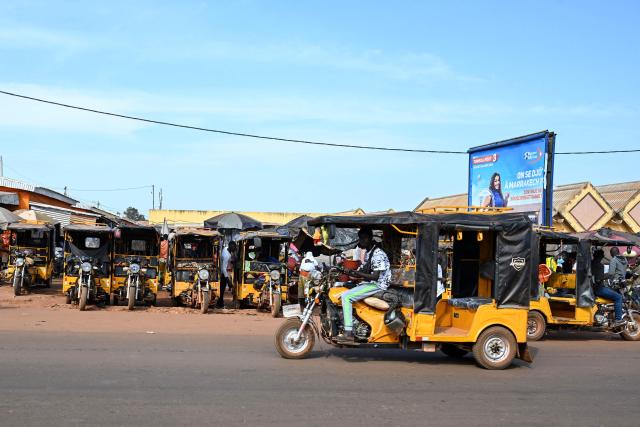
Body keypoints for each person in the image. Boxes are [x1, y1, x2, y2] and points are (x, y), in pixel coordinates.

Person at [337, 227, 391, 343]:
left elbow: (375, 276)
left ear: (370, 238)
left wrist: (356, 273)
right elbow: (365, 271)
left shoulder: (378, 254)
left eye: (363, 238)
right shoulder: (369, 252)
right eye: (360, 238)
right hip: (370, 283)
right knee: (344, 286)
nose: (361, 241)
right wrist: (350, 272)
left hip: (378, 284)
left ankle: (348, 331)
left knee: (346, 297)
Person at [592, 249, 624, 327]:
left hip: (592, 288)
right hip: (599, 289)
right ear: (601, 256)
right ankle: (618, 319)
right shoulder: (599, 265)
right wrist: (608, 275)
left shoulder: (591, 263)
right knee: (618, 297)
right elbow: (598, 279)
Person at [217, 241, 236, 309]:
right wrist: (228, 279)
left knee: (222, 288)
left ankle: (220, 302)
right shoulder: (226, 256)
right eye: (234, 247)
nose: (235, 249)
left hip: (223, 270)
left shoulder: (225, 249)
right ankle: (220, 303)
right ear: (231, 247)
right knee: (222, 288)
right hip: (223, 273)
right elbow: (224, 269)